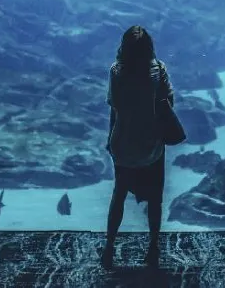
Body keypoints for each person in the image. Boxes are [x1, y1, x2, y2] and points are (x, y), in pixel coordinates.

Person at [101, 26, 174, 269]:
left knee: (118, 194)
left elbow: (115, 107)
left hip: (123, 140)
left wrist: (110, 139)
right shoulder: (159, 69)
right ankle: (153, 248)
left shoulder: (116, 71)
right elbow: (168, 101)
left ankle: (109, 248)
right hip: (151, 142)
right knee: (155, 199)